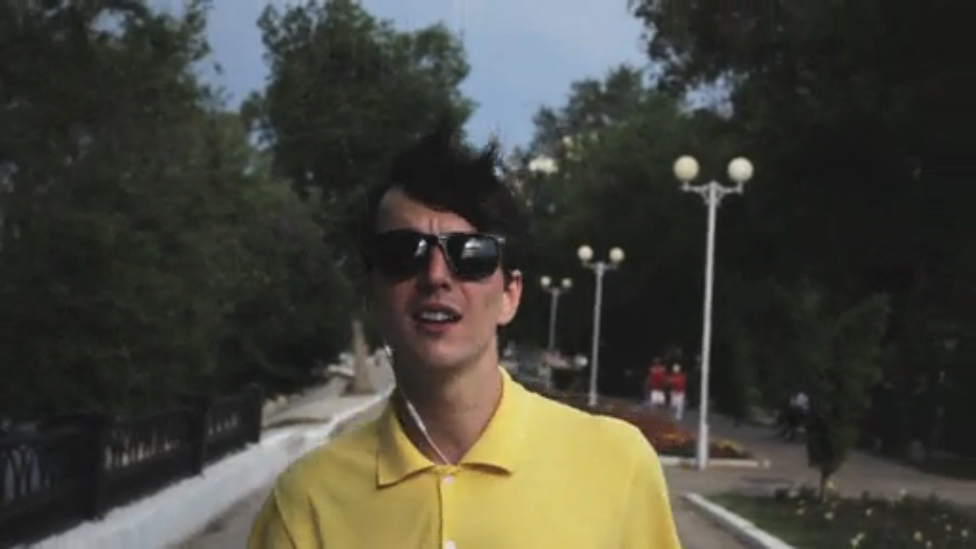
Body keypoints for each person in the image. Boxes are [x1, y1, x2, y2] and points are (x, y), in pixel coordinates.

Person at [248, 121, 681, 549]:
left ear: (510, 295)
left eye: (471, 255)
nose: (436, 276)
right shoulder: (307, 501)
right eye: (403, 253)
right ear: (371, 295)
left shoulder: (616, 465)